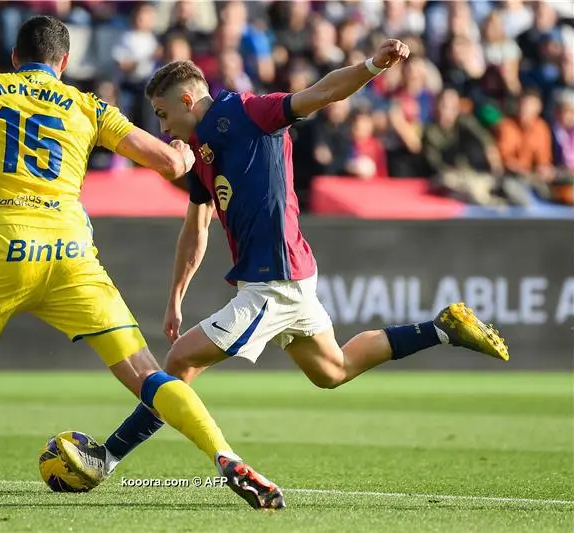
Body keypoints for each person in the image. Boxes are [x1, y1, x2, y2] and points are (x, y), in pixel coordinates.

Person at [0, 16, 281, 510]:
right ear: (64, 63)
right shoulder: (88, 105)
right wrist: (183, 153)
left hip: (4, 248)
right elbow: (169, 164)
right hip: (73, 254)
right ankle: (224, 456)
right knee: (149, 377)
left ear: (14, 58)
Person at [58, 41, 509, 494]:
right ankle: (443, 328)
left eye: (161, 113)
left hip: (272, 280)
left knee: (179, 362)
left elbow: (322, 92)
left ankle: (109, 456)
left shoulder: (251, 112)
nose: (162, 125)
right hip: (291, 277)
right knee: (333, 370)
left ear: (187, 100)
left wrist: (373, 65)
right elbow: (196, 228)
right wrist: (176, 295)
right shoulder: (198, 150)